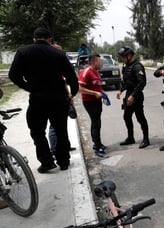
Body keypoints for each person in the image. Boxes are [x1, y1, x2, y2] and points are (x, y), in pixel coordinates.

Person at [8, 27, 78, 173]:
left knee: (37, 131)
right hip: (58, 99)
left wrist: (28, 87)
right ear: (50, 39)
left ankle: (47, 162)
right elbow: (72, 78)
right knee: (61, 130)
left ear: (34, 38)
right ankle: (63, 161)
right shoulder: (59, 54)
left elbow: (13, 75)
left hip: (37, 98)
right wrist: (72, 94)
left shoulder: (23, 52)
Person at [116, 46, 150, 148]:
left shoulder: (137, 66)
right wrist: (120, 90)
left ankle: (146, 139)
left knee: (140, 118)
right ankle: (130, 137)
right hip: (129, 94)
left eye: (123, 57)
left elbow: (142, 83)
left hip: (137, 95)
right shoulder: (126, 66)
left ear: (129, 56)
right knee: (126, 117)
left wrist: (133, 96)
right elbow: (126, 82)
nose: (122, 59)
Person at [48, 41, 76, 154]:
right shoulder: (51, 65)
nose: (61, 53)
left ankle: (66, 145)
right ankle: (54, 149)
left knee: (62, 125)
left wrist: (69, 95)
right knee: (54, 127)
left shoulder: (59, 64)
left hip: (62, 97)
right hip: (53, 99)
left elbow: (64, 83)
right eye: (59, 50)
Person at [78, 54, 107, 157]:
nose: (101, 63)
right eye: (99, 61)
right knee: (96, 123)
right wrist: (94, 93)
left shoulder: (96, 72)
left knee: (95, 122)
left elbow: (96, 86)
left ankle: (97, 143)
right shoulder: (86, 72)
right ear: (92, 62)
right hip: (90, 102)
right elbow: (80, 88)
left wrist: (102, 92)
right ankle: (98, 147)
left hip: (97, 101)